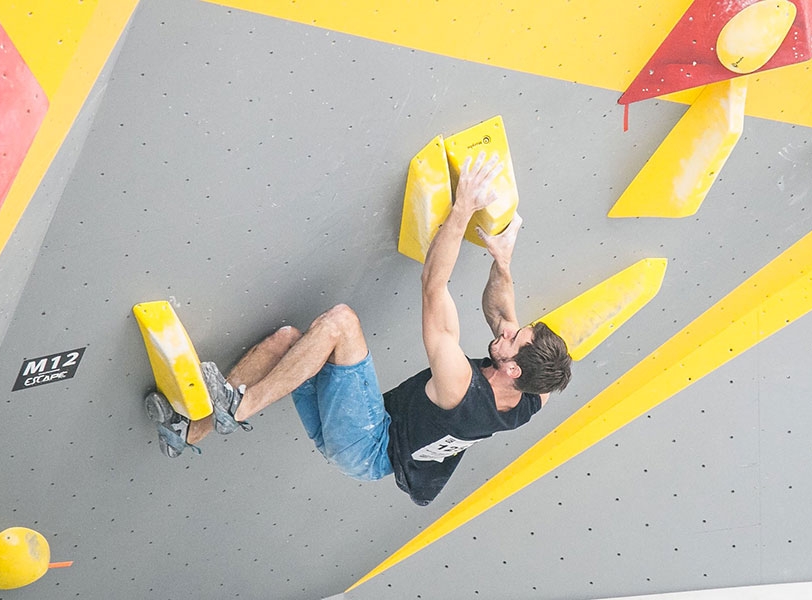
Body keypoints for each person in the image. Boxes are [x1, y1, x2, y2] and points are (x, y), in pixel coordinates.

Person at [145, 151, 572, 505]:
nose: (507, 333)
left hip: (369, 442)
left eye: (514, 341)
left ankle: (236, 407)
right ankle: (187, 431)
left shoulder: (460, 386)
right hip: (360, 447)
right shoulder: (535, 392)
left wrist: (463, 207)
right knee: (290, 344)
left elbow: (433, 286)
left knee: (341, 323)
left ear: (512, 369)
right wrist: (502, 261)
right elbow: (501, 313)